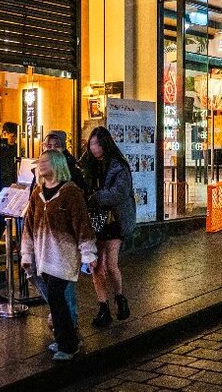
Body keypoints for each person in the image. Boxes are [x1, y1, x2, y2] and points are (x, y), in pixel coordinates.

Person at [20, 150, 96, 361]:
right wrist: (27, 254)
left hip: (64, 256)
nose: (41, 165)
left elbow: (82, 225)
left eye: (45, 161)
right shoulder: (37, 194)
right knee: (55, 300)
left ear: (57, 164)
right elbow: (29, 226)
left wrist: (88, 254)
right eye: (40, 162)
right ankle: (66, 339)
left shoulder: (71, 193)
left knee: (56, 296)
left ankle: (69, 345)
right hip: (44, 256)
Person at [80, 126, 136, 328]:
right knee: (95, 265)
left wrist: (94, 197)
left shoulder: (119, 166)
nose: (94, 147)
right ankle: (103, 307)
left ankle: (120, 298)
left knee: (110, 265)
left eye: (97, 143)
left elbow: (119, 193)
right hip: (95, 220)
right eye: (91, 143)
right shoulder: (88, 164)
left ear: (105, 143)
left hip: (113, 221)